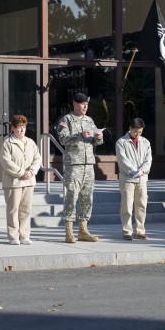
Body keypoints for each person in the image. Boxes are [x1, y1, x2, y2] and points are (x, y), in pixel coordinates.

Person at [57, 93, 103, 243]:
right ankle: (68, 231)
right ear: (74, 104)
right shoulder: (66, 120)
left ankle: (83, 230)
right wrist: (80, 135)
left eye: (87, 104)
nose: (85, 107)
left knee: (87, 197)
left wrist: (98, 138)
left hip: (88, 164)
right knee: (71, 197)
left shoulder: (89, 120)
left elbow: (95, 142)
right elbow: (63, 139)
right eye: (82, 104)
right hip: (74, 165)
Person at [0, 115, 41, 245]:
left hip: (29, 181)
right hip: (13, 182)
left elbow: (37, 158)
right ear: (13, 128)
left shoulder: (30, 142)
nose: (21, 131)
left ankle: (24, 235)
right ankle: (13, 236)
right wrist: (22, 172)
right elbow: (6, 162)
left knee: (26, 209)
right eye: (18, 128)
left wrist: (31, 172)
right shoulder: (7, 143)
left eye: (23, 128)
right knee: (13, 209)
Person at [115, 118, 152, 240]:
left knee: (141, 205)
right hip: (127, 179)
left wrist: (142, 170)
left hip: (142, 179)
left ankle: (140, 230)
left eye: (140, 132)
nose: (138, 134)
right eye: (136, 131)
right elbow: (122, 160)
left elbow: (148, 159)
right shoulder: (121, 142)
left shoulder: (145, 142)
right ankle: (127, 230)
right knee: (127, 205)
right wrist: (133, 171)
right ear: (130, 128)